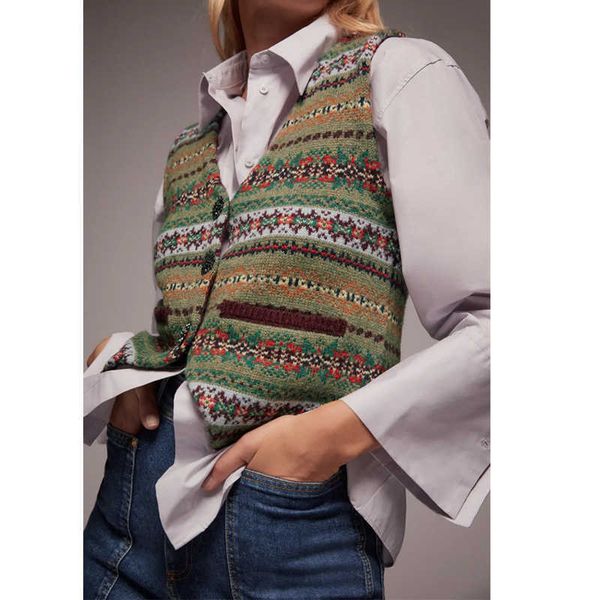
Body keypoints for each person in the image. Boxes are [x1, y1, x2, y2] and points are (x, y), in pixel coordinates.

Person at [84, 0, 490, 598]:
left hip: (286, 528)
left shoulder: (399, 74)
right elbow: (197, 332)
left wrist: (328, 437)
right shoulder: (191, 145)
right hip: (129, 519)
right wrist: (121, 362)